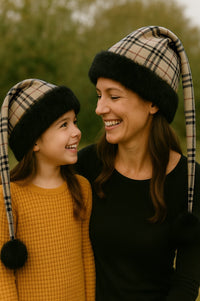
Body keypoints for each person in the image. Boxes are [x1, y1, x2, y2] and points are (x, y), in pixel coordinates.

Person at [76, 26, 200, 300]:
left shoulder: (189, 181)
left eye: (114, 96)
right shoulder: (85, 166)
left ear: (153, 103)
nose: (99, 108)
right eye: (99, 95)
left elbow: (187, 283)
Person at [0, 79, 95, 300]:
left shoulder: (81, 188)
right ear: (34, 142)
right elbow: (3, 275)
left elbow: (86, 257)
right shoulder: (9, 197)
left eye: (75, 122)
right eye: (64, 125)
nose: (77, 132)